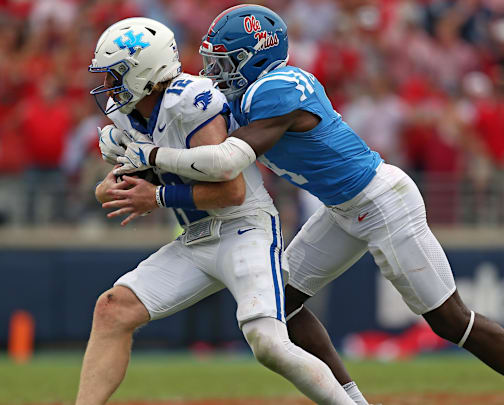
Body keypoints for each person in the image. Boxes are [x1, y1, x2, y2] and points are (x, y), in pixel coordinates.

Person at [115, 5, 504, 405]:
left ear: (257, 59)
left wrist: (153, 157)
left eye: (225, 61)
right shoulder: (247, 94)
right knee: (285, 300)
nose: (214, 72)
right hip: (341, 209)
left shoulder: (279, 87)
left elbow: (226, 160)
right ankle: (352, 400)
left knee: (449, 320)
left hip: (382, 201)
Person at [77, 17, 357, 405]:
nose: (108, 85)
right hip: (197, 238)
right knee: (112, 309)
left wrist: (156, 197)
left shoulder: (191, 103)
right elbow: (134, 173)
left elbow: (231, 190)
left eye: (117, 74)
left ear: (145, 71)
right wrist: (108, 186)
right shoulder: (127, 111)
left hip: (244, 228)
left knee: (267, 342)